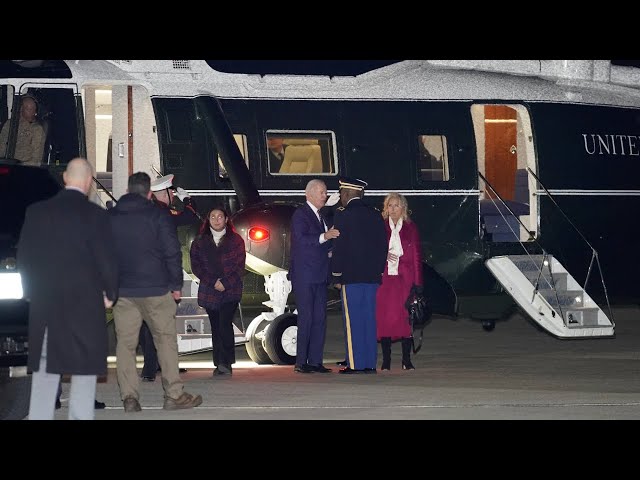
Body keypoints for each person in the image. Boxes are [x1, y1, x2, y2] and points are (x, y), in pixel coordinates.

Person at [17, 157, 118, 420]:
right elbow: (107, 261)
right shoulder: (97, 216)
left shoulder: (36, 212)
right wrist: (110, 293)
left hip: (46, 305)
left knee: (45, 373)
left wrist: (30, 293)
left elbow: (25, 258)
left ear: (64, 178)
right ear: (88, 182)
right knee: (84, 375)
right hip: (85, 307)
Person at [109, 172, 202, 412]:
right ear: (149, 193)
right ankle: (173, 396)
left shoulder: (111, 216)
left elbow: (103, 254)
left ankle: (129, 398)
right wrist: (176, 285)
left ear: (128, 191)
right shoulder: (158, 215)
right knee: (166, 341)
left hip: (124, 291)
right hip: (157, 289)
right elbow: (172, 251)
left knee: (126, 345)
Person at [138, 173, 200, 381]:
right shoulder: (162, 212)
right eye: (171, 191)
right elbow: (190, 218)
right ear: (162, 193)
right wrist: (188, 200)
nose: (173, 194)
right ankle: (151, 368)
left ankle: (155, 365)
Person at [330, 176, 387, 374]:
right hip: (372, 276)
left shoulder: (342, 215)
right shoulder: (375, 214)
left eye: (341, 194)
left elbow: (339, 248)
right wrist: (378, 270)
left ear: (346, 194)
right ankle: (370, 364)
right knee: (369, 320)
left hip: (351, 276)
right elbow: (382, 246)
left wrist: (336, 275)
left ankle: (355, 364)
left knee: (353, 321)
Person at [289, 179, 340, 373]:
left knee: (320, 318)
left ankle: (315, 361)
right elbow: (302, 240)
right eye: (321, 192)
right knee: (306, 318)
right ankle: (301, 361)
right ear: (308, 194)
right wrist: (325, 237)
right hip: (305, 274)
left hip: (319, 273)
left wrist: (329, 248)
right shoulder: (301, 214)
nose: (324, 195)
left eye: (325, 192)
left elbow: (323, 242)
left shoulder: (322, 215)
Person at [189, 206, 246, 376]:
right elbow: (196, 267)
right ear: (208, 220)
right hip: (210, 289)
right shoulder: (199, 242)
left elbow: (240, 267)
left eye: (220, 216)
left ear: (226, 219)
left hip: (231, 290)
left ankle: (226, 362)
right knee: (215, 326)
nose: (216, 220)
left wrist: (226, 283)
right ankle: (219, 362)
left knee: (224, 323)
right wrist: (213, 282)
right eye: (213, 216)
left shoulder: (236, 240)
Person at [376, 192, 424, 371]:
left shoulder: (411, 228)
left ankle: (406, 360)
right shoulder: (380, 227)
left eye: (396, 205)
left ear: (403, 208)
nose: (393, 209)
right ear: (386, 208)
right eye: (390, 205)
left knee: (406, 320)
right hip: (385, 279)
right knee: (385, 320)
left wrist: (418, 283)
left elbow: (417, 257)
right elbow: (372, 252)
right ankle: (386, 360)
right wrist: (382, 255)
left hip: (405, 279)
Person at [0, 95, 46, 166]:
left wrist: (20, 166)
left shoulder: (37, 130)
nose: (23, 110)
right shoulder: (9, 124)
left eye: (30, 108)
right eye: (25, 107)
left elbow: (36, 159)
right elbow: (1, 145)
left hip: (23, 168)